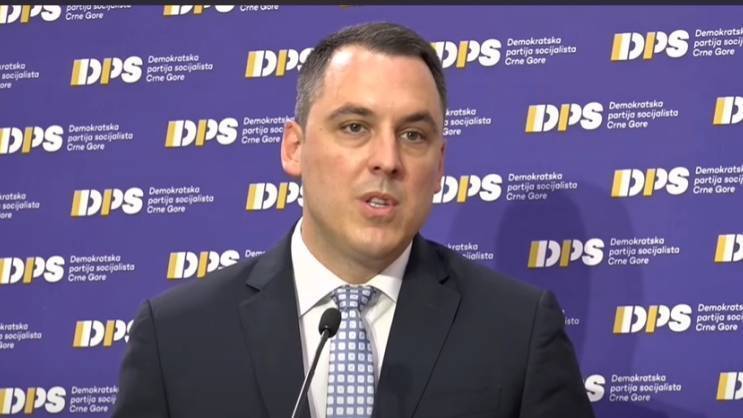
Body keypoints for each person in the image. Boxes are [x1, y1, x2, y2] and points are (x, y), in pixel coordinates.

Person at [112, 22, 595, 418]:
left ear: (440, 166)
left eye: (413, 135)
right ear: (294, 148)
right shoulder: (176, 336)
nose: (387, 160)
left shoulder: (518, 331)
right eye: (355, 127)